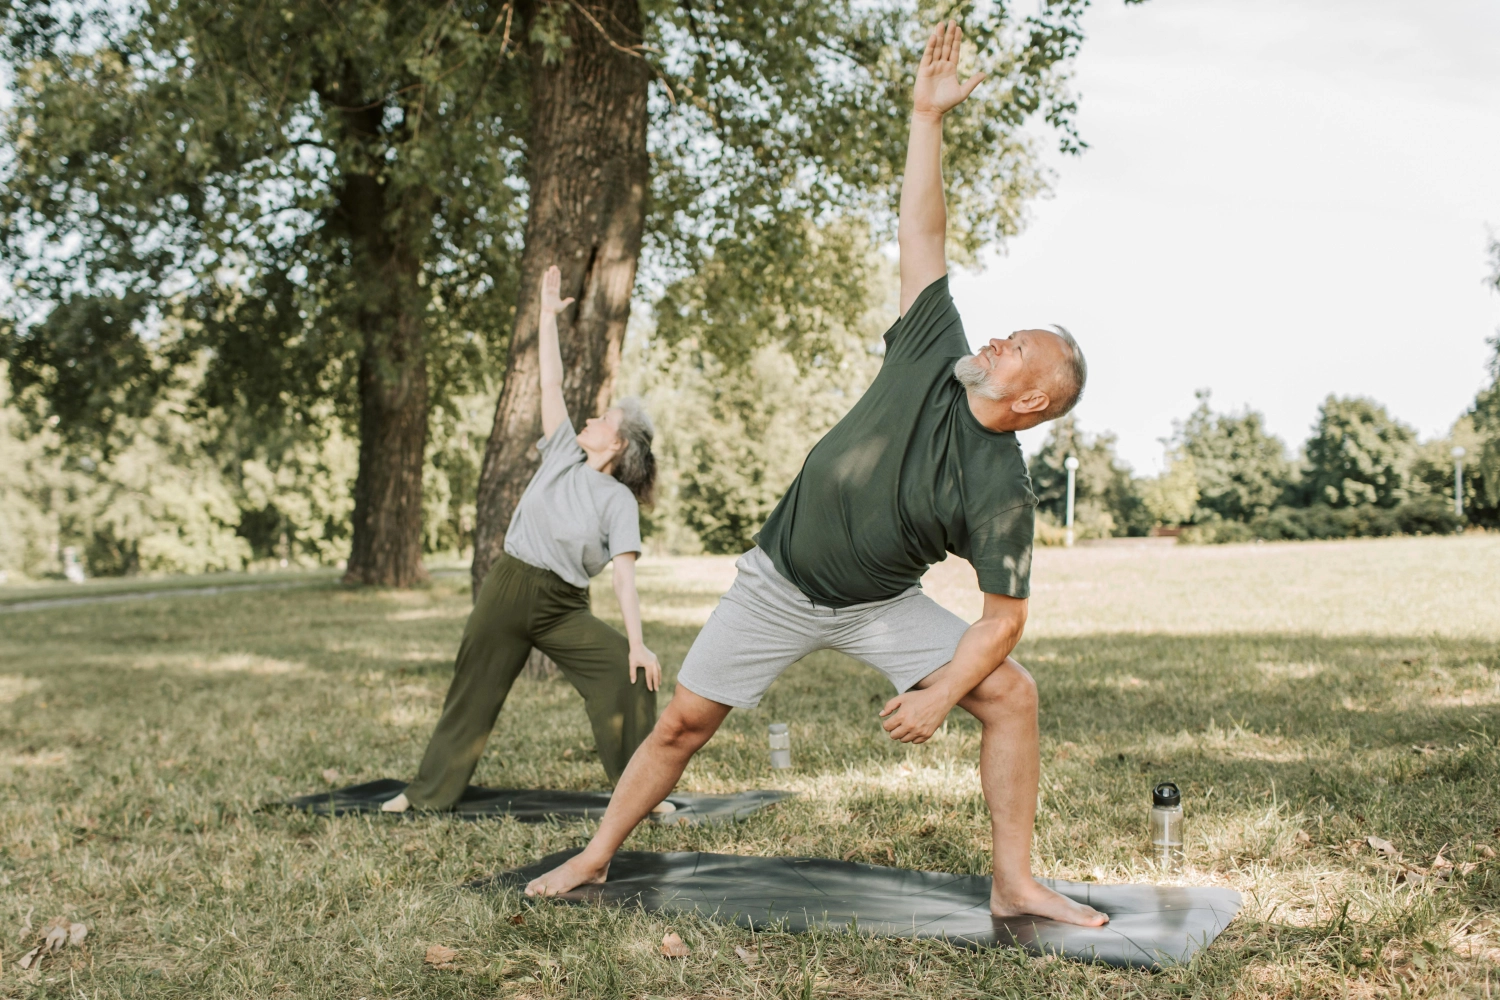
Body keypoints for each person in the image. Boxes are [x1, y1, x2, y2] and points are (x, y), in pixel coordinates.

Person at [525, 22, 1105, 927]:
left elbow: (1004, 621)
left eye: (1017, 346)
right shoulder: (933, 348)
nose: (997, 338)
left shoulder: (1001, 488)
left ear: (1032, 400)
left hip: (875, 604)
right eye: (1006, 330)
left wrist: (942, 692)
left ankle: (1014, 882)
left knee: (1012, 694)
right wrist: (926, 117)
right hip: (778, 580)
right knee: (682, 724)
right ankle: (596, 859)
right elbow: (923, 225)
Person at [382, 264, 661, 813]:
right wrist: (546, 317)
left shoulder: (618, 501)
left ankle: (641, 797)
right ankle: (426, 795)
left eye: (603, 417)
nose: (590, 416)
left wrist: (636, 643)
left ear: (619, 444)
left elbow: (625, 579)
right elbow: (551, 381)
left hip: (563, 607)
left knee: (627, 675)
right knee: (472, 690)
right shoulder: (561, 451)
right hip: (508, 589)